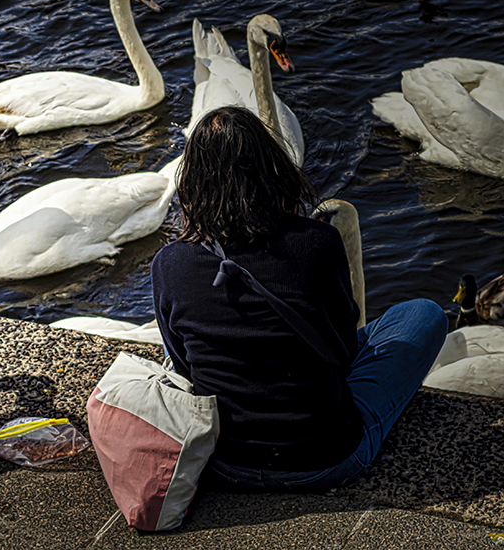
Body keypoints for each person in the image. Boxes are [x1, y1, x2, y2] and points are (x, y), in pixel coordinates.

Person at [152, 106, 447, 492]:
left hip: (224, 462)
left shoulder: (169, 263)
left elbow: (184, 366)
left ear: (191, 183)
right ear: (272, 168)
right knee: (424, 314)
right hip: (327, 460)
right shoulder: (316, 242)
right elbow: (343, 354)